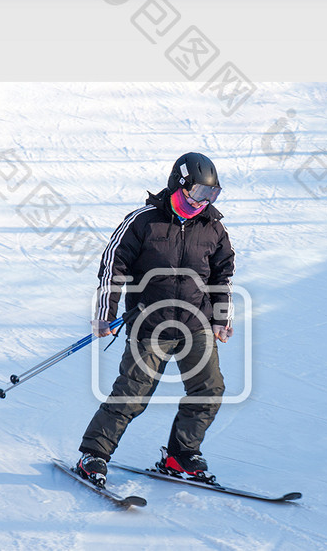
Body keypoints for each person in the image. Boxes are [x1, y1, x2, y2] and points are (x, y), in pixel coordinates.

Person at [76, 152, 235, 487]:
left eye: (212, 195)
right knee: (132, 394)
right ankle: (94, 454)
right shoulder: (143, 221)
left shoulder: (213, 228)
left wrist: (220, 319)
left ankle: (181, 454)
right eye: (199, 193)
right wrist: (107, 312)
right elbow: (112, 268)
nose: (205, 202)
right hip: (151, 325)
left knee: (209, 389)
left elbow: (223, 275)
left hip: (196, 325)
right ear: (178, 185)